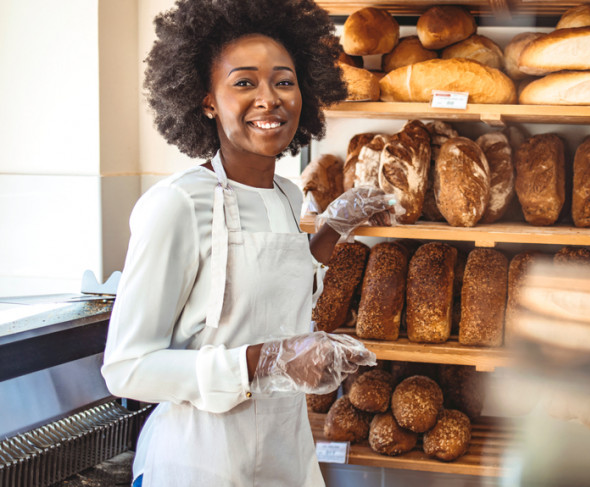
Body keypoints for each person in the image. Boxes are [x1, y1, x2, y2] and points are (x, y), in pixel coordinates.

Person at [101, 0, 381, 485]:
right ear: (208, 99)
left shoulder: (287, 193)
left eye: (285, 81)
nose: (270, 98)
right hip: (200, 464)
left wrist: (334, 227)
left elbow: (275, 287)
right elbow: (127, 368)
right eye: (244, 82)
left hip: (286, 459)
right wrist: (264, 359)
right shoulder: (179, 205)